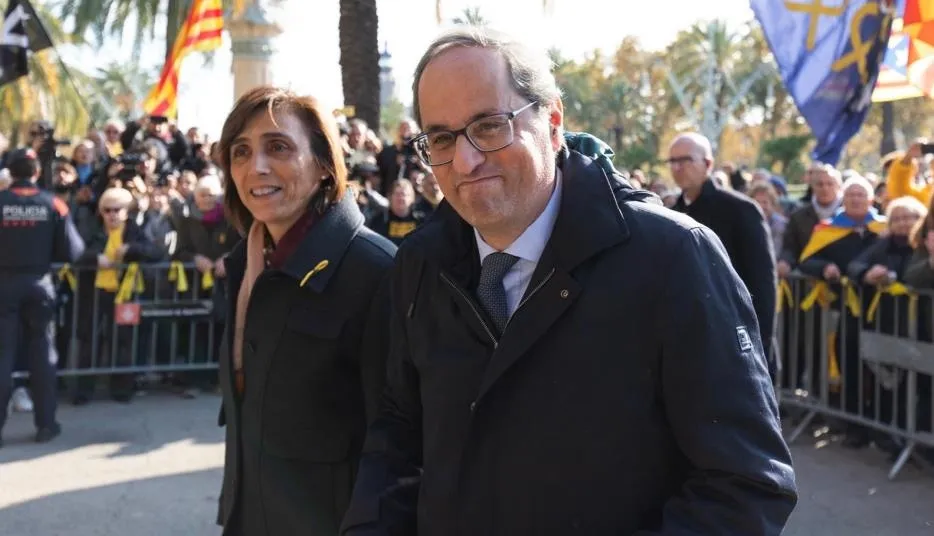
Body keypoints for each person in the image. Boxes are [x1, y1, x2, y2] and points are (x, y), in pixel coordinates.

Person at [341, 27, 796, 536]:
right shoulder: (420, 264)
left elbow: (745, 483)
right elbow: (399, 434)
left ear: (552, 121)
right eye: (442, 139)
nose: (465, 161)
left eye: (490, 126)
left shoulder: (672, 258)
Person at [214, 86, 396, 536]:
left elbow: (398, 439)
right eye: (240, 151)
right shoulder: (246, 264)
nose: (255, 166)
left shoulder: (376, 271)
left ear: (322, 165)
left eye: (277, 147)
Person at [670, 133, 778, 377]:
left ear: (708, 164)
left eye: (685, 160)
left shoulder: (741, 210)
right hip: (690, 338)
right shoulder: (672, 213)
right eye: (672, 161)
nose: (677, 168)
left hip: (736, 337)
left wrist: (760, 343)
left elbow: (763, 284)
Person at [0, 149, 84, 446]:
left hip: (4, 285)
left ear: (10, 172)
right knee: (43, 356)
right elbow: (73, 251)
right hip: (39, 283)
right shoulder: (54, 204)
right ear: (36, 171)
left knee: (3, 357)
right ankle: (46, 425)